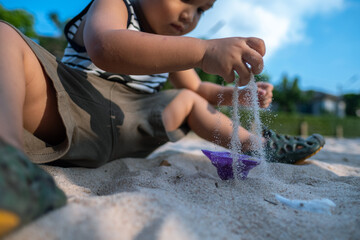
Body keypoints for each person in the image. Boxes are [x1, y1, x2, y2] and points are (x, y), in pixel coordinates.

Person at [0, 0, 325, 235]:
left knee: (186, 98)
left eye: (201, 9)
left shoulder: (173, 47)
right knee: (4, 36)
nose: (190, 15)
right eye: (185, 0)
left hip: (132, 127)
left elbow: (199, 91)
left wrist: (239, 96)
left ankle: (260, 145)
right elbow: (105, 46)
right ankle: (8, 161)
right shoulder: (116, 4)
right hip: (75, 105)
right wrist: (203, 50)